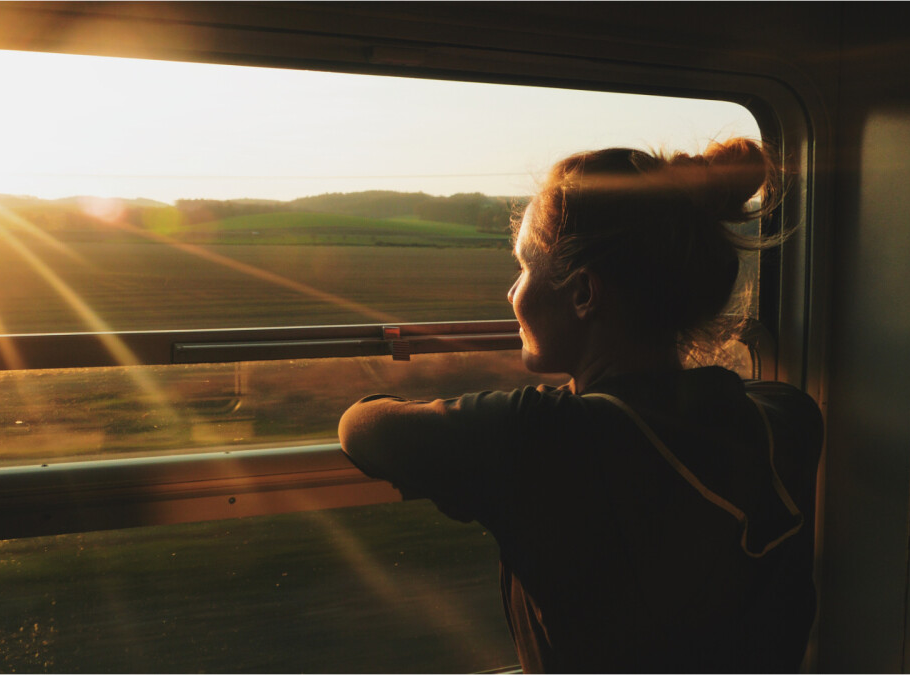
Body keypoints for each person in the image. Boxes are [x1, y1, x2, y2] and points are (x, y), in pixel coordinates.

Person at [338, 139, 823, 673]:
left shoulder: (541, 436)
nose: (511, 294)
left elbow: (361, 427)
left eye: (524, 267)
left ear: (584, 294)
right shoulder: (789, 416)